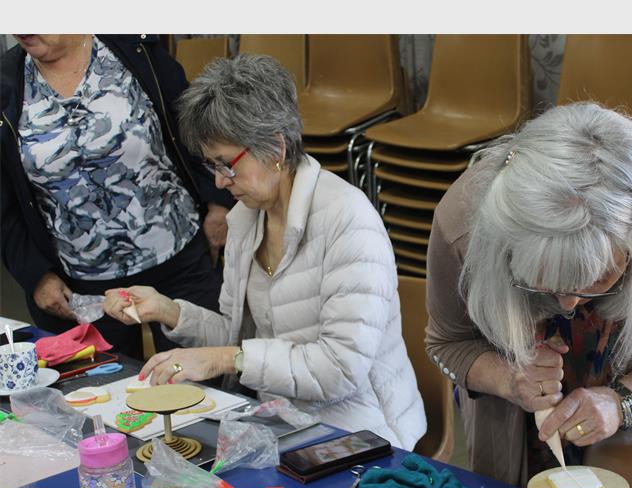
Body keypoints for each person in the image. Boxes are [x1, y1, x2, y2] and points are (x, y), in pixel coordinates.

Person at [103, 54, 426, 450]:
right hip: (283, 423)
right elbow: (237, 336)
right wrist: (169, 310)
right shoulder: (246, 219)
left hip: (362, 434)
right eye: (211, 166)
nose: (219, 182)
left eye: (227, 164)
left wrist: (224, 358)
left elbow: (340, 370)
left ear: (275, 147)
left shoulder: (348, 220)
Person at [425, 102, 632, 486]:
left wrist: (624, 402)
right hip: (514, 433)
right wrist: (507, 379)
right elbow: (448, 342)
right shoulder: (463, 225)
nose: (568, 304)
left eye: (597, 280)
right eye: (542, 283)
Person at [0, 35, 234, 359]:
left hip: (180, 258)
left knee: (200, 377)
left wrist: (218, 203)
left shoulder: (133, 49)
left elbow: (194, 126)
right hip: (81, 286)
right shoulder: (8, 82)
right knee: (105, 386)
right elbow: (4, 202)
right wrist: (35, 275)